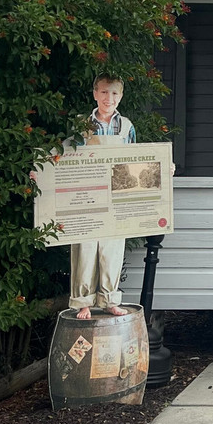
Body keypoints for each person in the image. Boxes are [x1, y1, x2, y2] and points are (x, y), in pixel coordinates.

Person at [70, 73, 136, 320]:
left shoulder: (127, 126)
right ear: (95, 93)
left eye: (115, 93)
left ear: (121, 96)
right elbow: (66, 157)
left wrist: (164, 167)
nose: (109, 98)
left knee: (113, 249)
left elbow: (136, 158)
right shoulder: (81, 124)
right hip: (86, 195)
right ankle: (83, 303)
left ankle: (109, 300)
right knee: (85, 249)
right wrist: (42, 172)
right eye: (104, 92)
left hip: (115, 195)